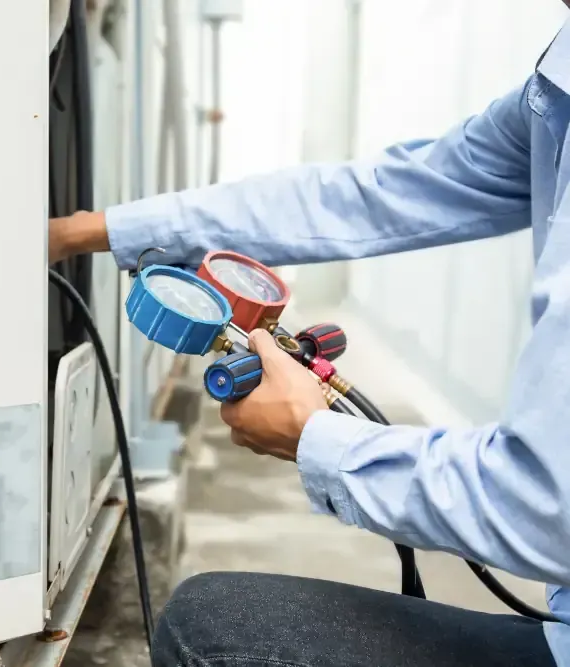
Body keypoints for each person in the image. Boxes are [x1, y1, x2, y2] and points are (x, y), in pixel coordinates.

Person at [49, 14, 570, 667]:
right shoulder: (556, 87)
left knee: (208, 625)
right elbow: (371, 197)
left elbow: (545, 506)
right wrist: (89, 229)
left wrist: (318, 438)